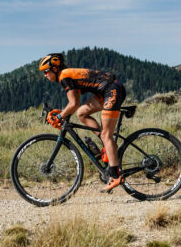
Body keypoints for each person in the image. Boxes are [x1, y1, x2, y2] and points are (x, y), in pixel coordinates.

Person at [38, 53, 126, 193]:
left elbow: (73, 103)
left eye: (46, 71)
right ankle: (105, 148)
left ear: (55, 68)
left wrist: (60, 117)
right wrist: (62, 115)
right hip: (107, 89)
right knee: (82, 113)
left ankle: (116, 176)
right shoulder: (67, 75)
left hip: (111, 90)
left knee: (106, 135)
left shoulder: (64, 76)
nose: (45, 75)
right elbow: (75, 106)